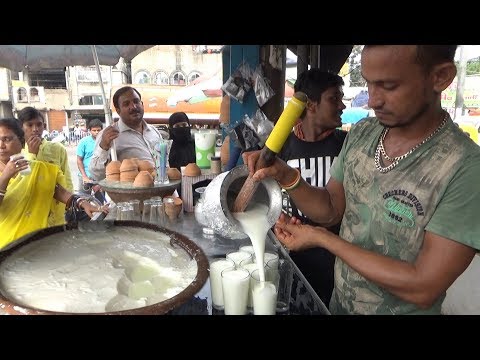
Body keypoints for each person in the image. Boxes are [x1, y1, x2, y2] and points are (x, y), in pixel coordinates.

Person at [243, 45, 480, 315]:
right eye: (369, 84)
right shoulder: (363, 134)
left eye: (388, 85)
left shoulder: (465, 167)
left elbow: (423, 286)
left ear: (441, 77)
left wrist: (323, 239)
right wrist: (286, 175)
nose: (373, 100)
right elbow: (331, 209)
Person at [276, 69, 347, 308]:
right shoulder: (281, 145)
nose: (342, 106)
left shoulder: (346, 146)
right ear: (311, 105)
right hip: (291, 258)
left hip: (336, 262)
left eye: (341, 98)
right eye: (334, 99)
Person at [0, 118, 104, 249]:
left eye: (7, 139)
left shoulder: (38, 168)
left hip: (38, 241)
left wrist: (82, 203)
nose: (1, 145)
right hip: (7, 245)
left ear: (21, 142)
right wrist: (5, 176)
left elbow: (55, 190)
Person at [89, 86, 163, 181]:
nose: (133, 107)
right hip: (130, 195)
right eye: (126, 104)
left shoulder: (154, 132)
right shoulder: (109, 135)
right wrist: (103, 146)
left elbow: (164, 164)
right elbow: (96, 174)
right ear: (118, 110)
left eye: (136, 101)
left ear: (142, 104)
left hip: (161, 193)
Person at [17, 106, 74, 226]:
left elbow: (66, 179)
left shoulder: (57, 149)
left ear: (44, 126)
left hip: (56, 212)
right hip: (31, 214)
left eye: (39, 125)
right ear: (21, 127)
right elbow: (22, 183)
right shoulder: (18, 152)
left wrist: (70, 203)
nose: (35, 129)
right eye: (30, 125)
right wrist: (32, 155)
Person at [76, 118, 107, 204]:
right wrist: (84, 176)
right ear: (89, 130)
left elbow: (108, 161)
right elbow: (79, 160)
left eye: (98, 130)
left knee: (100, 204)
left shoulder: (105, 142)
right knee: (83, 203)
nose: (96, 132)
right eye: (94, 130)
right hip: (85, 177)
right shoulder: (84, 142)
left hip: (99, 178)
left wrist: (102, 181)